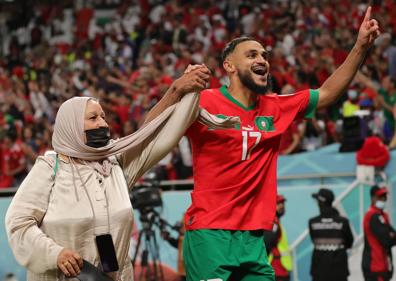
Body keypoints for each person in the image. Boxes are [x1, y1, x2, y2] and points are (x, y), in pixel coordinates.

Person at [182, 6, 379, 281]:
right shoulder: (203, 102)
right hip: (209, 234)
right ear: (229, 66)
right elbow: (152, 127)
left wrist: (360, 47)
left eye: (264, 54)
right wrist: (176, 90)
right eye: (251, 55)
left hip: (253, 239)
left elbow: (327, 93)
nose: (262, 59)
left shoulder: (276, 107)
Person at [5, 66, 238, 281]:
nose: (103, 124)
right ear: (71, 126)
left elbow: (146, 134)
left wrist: (177, 91)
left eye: (104, 117)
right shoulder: (50, 168)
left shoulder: (115, 164)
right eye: (93, 118)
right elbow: (18, 223)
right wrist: (55, 254)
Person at [309, 188, 354, 281]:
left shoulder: (313, 222)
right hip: (339, 271)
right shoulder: (343, 222)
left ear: (321, 202)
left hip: (319, 272)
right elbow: (350, 243)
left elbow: (313, 240)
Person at [362, 185, 396, 281]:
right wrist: (391, 235)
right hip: (375, 267)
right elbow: (387, 240)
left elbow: (392, 235)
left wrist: (391, 235)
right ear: (373, 198)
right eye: (381, 196)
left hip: (383, 266)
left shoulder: (383, 215)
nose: (384, 199)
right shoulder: (373, 216)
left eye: (385, 196)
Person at [263, 195, 293, 281]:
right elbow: (268, 242)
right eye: (278, 203)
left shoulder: (276, 222)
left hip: (281, 269)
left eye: (282, 203)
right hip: (276, 271)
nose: (282, 206)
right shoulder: (273, 222)